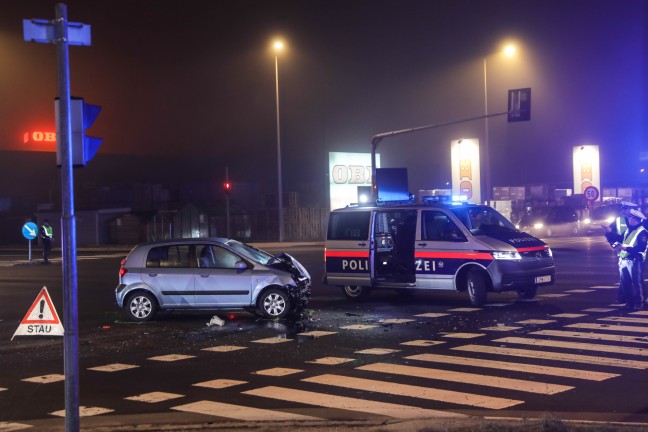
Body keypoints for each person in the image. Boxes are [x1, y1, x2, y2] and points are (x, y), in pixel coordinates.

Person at [613, 209, 647, 311]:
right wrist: (617, 245)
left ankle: (639, 303)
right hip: (624, 260)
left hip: (635, 261)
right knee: (625, 283)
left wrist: (627, 248)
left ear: (636, 219)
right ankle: (629, 303)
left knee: (637, 283)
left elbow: (641, 248)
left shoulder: (642, 232)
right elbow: (620, 240)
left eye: (631, 218)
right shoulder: (628, 230)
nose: (629, 219)